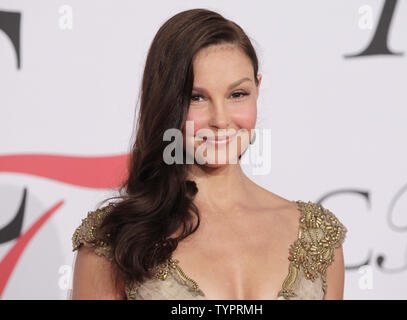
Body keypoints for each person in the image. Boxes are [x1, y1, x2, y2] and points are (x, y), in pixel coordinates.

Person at [69, 8, 347, 300]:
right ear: (164, 103)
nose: (220, 119)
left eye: (237, 94)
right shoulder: (113, 243)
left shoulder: (317, 236)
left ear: (257, 90)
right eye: (196, 97)